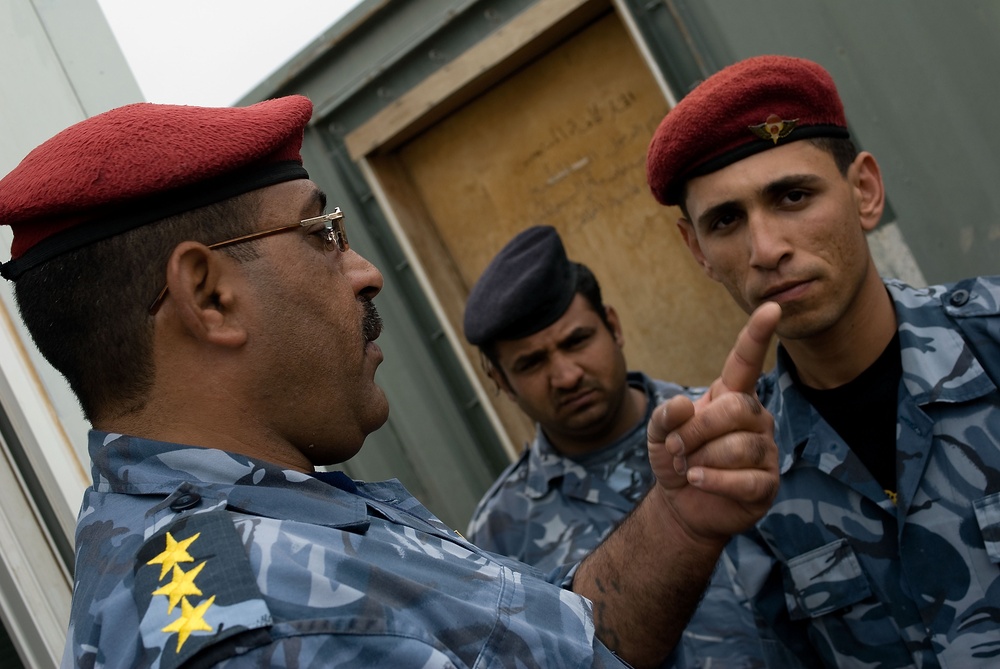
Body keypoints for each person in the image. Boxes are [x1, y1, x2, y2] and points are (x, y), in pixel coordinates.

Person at [0, 95, 780, 669]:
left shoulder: (252, 525)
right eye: (322, 234)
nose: (366, 273)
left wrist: (679, 520)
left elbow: (560, 651)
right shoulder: (279, 630)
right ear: (209, 295)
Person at [646, 54, 1000, 667]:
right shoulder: (740, 467)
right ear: (697, 250)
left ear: (863, 190)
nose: (766, 249)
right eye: (726, 220)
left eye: (792, 196)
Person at [463, 225, 764, 666]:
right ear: (501, 382)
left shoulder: (732, 433)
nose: (566, 375)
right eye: (531, 363)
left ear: (614, 326)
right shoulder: (501, 532)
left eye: (577, 341)